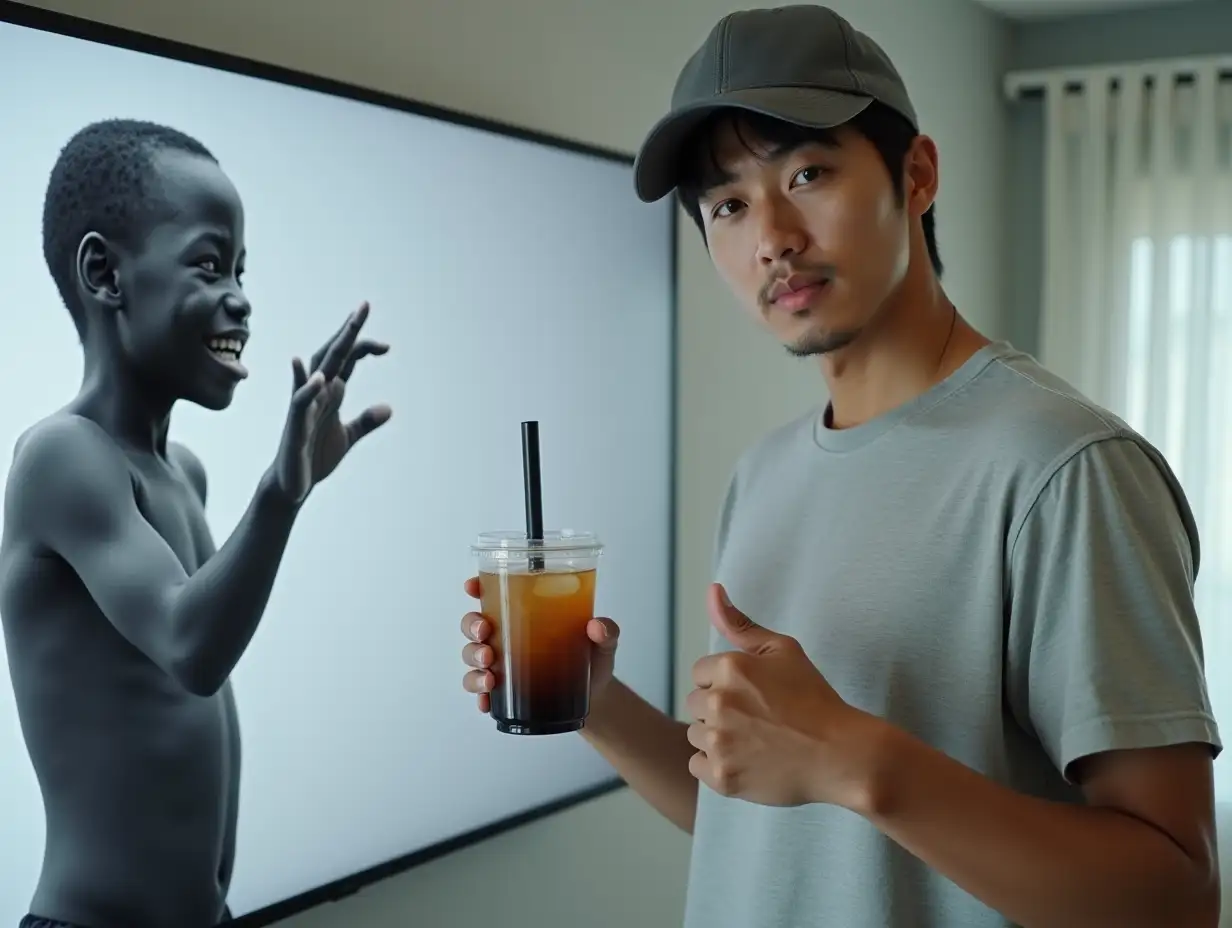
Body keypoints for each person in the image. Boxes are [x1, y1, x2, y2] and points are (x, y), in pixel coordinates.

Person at [460, 6, 1223, 927]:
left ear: (918, 174)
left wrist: (857, 760)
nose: (771, 237)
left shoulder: (1066, 470)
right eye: (728, 205)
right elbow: (763, 829)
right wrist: (598, 706)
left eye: (808, 173)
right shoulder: (765, 474)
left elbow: (1176, 897)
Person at [0, 119, 392, 928]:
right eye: (210, 264)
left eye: (242, 268)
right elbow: (192, 648)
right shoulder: (62, 457)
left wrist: (288, 489)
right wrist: (282, 494)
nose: (241, 297)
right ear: (106, 273)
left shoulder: (184, 475)